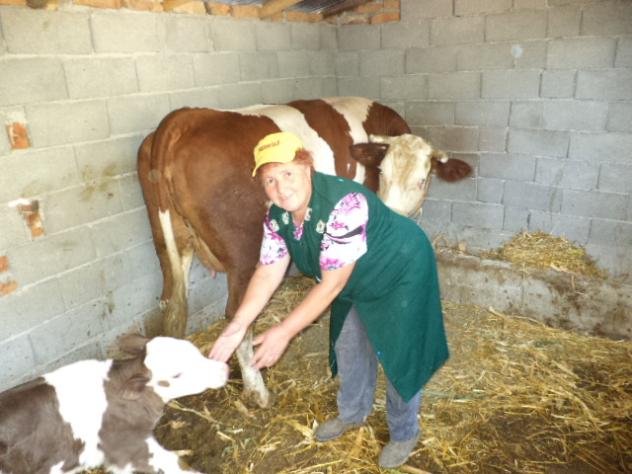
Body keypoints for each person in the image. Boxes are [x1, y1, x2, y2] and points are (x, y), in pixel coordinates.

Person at [209, 131, 449, 469]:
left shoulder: (344, 204)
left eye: (288, 173)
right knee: (349, 344)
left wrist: (284, 331)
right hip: (355, 276)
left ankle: (404, 432)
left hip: (400, 268)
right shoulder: (278, 216)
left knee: (400, 352)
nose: (281, 188)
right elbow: (268, 270)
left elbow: (332, 284)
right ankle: (352, 413)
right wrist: (238, 324)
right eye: (270, 180)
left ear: (307, 167)